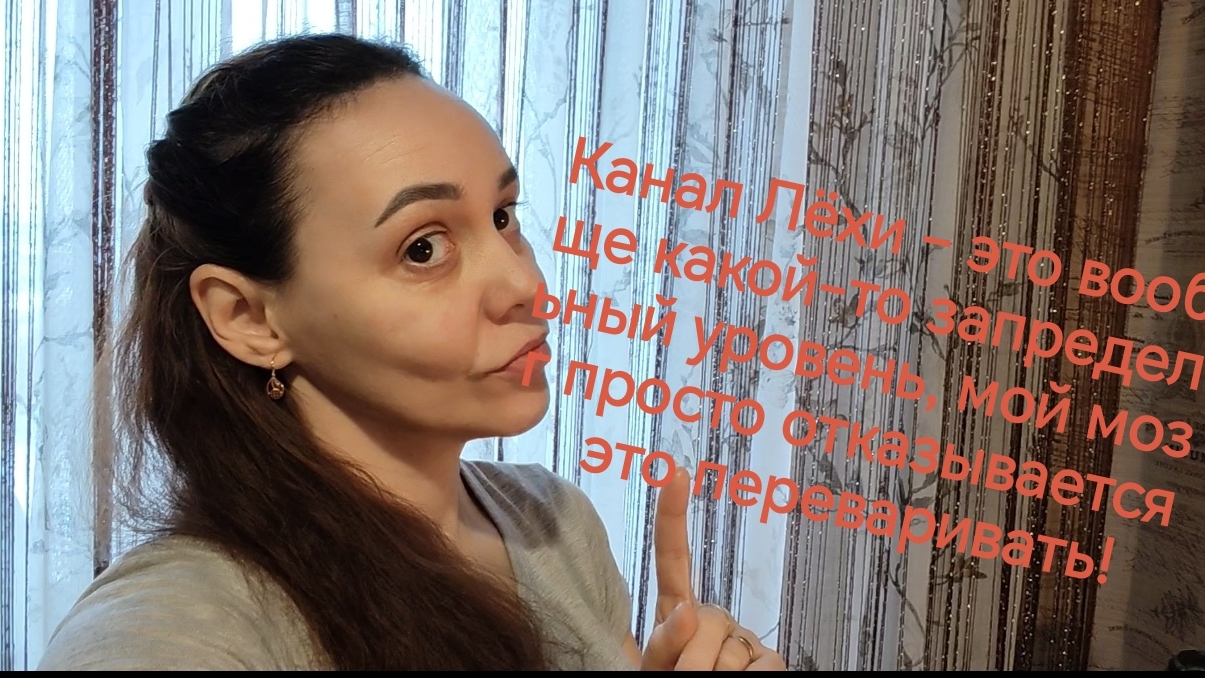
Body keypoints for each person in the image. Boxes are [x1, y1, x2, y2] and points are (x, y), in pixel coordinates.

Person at [36, 34, 786, 671]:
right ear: (249, 318)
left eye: (503, 216)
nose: (525, 284)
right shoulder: (179, 630)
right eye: (423, 247)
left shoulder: (554, 527)